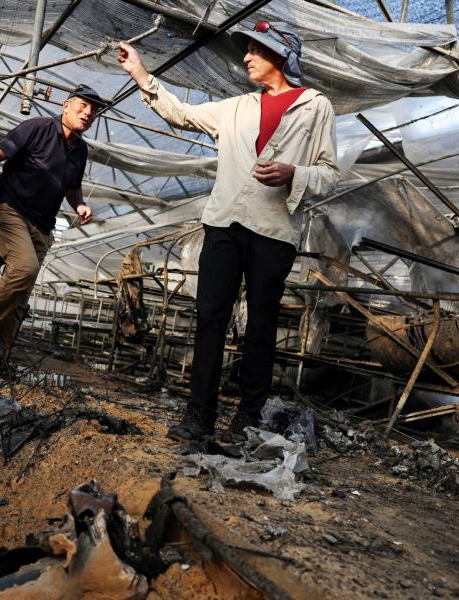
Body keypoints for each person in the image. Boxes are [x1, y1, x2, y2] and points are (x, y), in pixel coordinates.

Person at [117, 21, 339, 440]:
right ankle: (199, 414)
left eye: (256, 49)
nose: (247, 57)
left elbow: (329, 174)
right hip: (223, 224)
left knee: (260, 324)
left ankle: (247, 418)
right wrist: (141, 75)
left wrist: (295, 173)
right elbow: (180, 114)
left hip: (273, 230)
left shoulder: (315, 106)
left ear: (280, 56)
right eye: (249, 49)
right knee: (210, 318)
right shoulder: (236, 107)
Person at [0, 85, 104, 367]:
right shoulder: (39, 128)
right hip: (10, 210)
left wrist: (78, 204)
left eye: (94, 110)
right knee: (24, 268)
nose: (89, 112)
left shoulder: (80, 151)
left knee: (20, 299)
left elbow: (72, 187)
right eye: (83, 105)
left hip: (42, 227)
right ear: (66, 105)